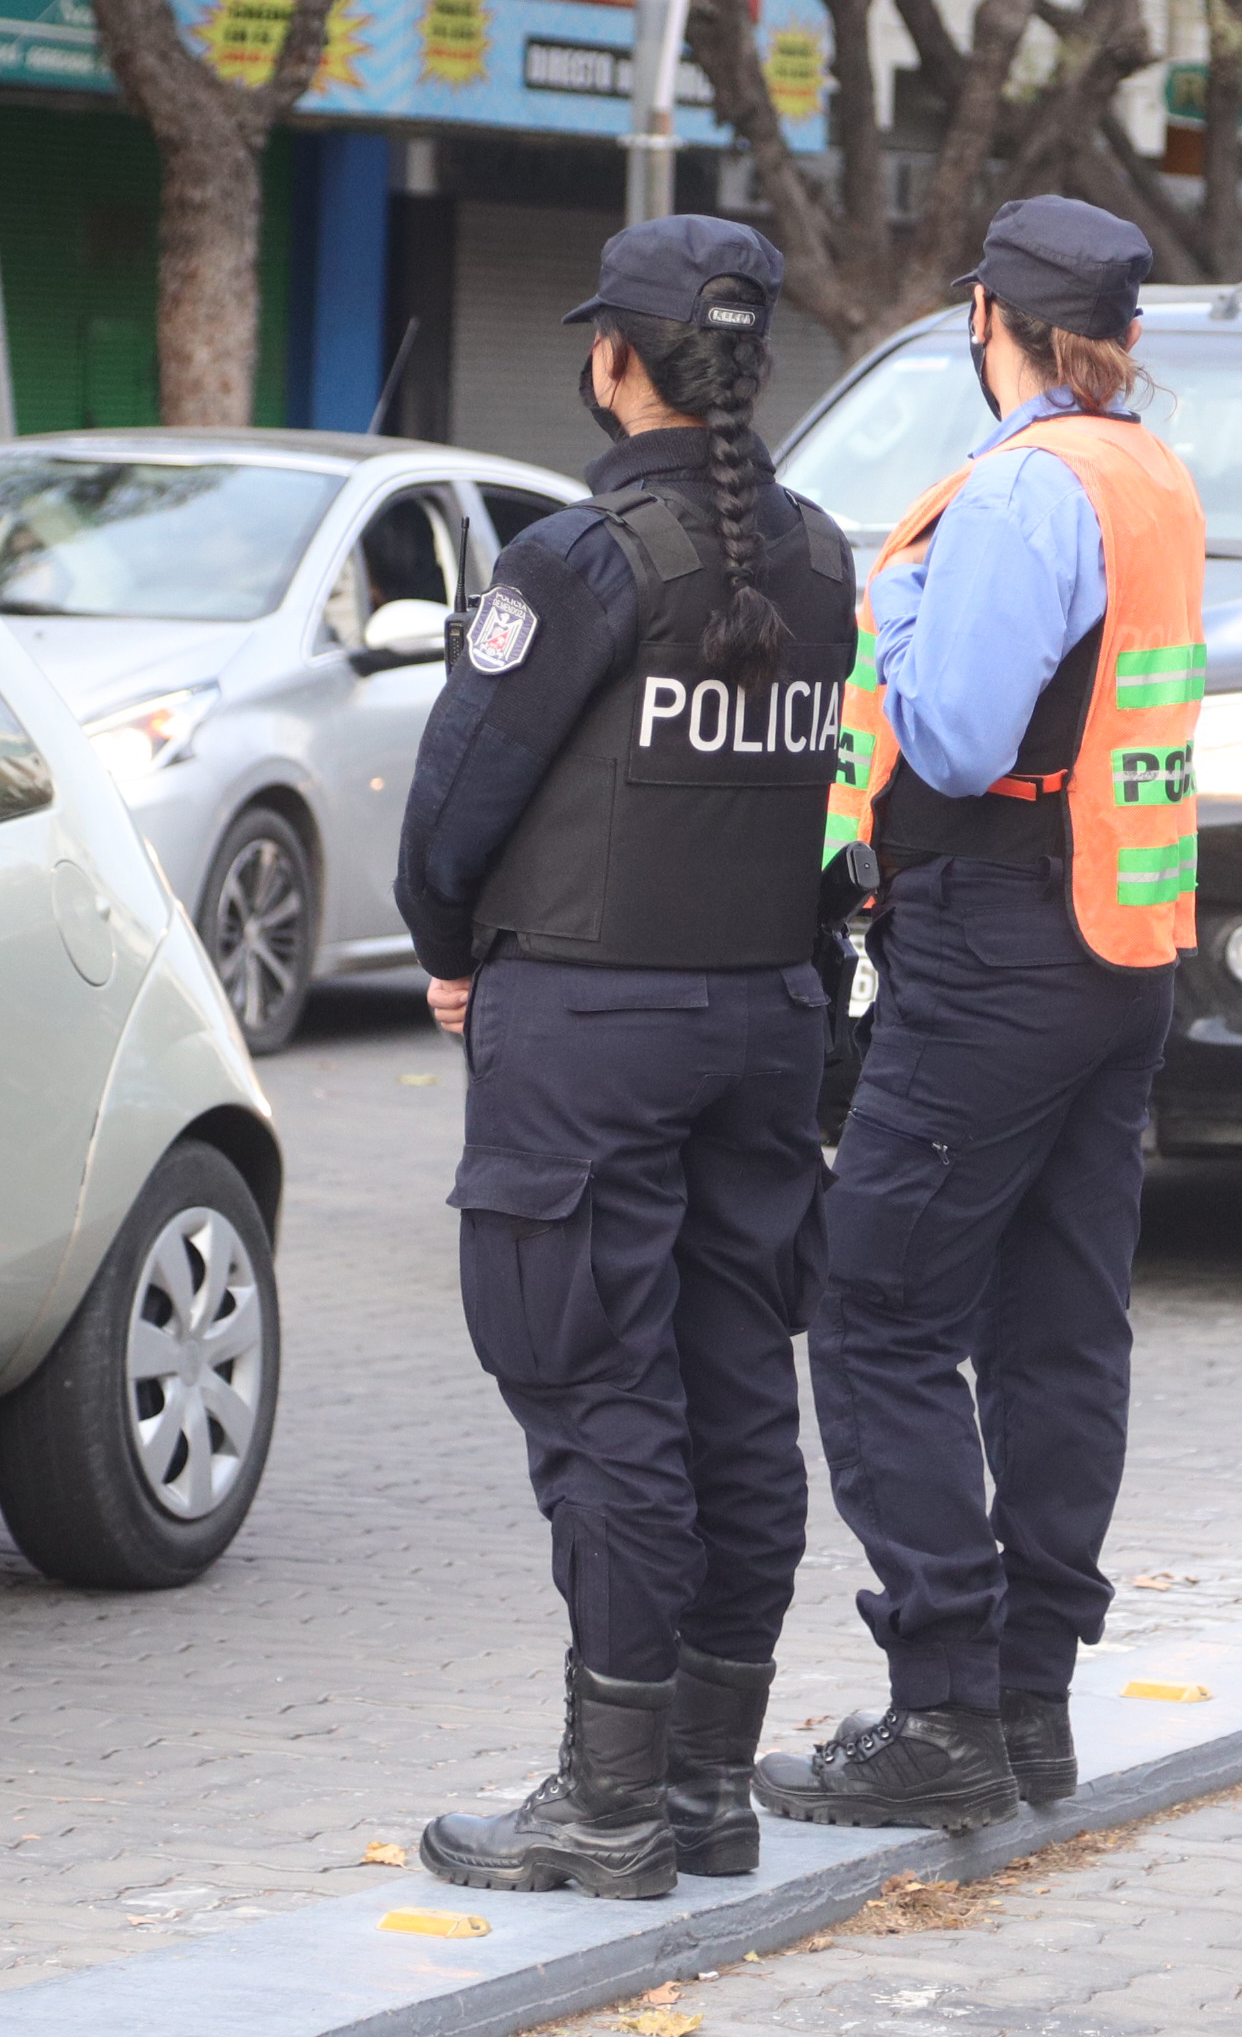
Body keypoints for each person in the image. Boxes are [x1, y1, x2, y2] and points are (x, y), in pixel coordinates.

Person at [394, 214, 857, 1901]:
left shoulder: (580, 556)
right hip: (760, 1020)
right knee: (734, 1389)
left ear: (616, 360)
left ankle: (607, 1801)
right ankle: (703, 1785)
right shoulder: (813, 557)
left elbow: (453, 802)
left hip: (590, 1027)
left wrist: (446, 952)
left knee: (601, 1396)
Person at [753, 196, 1206, 1832]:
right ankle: (1027, 1710)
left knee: (872, 1310)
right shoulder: (1148, 474)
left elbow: (947, 737)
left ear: (984, 323)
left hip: (996, 943)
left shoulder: (1022, 489)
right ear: (1125, 341)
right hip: (1118, 951)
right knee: (1056, 1327)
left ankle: (942, 1705)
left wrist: (891, 602)